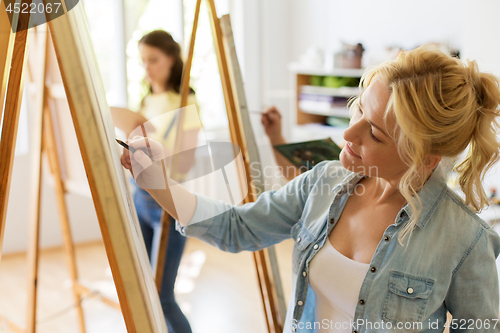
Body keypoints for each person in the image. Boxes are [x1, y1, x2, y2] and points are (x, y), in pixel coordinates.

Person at [121, 45, 500, 332]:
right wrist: (157, 182)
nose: (348, 134)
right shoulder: (324, 183)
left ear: (426, 156)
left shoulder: (464, 239)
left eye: (375, 133)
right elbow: (236, 227)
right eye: (359, 110)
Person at [122, 30, 199, 333]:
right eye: (143, 61)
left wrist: (157, 154)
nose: (147, 68)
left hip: (167, 202)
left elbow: (186, 162)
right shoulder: (145, 101)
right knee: (144, 287)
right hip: (140, 197)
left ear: (171, 60)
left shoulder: (183, 101)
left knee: (162, 295)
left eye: (153, 60)